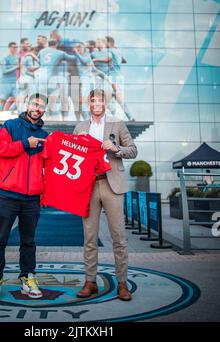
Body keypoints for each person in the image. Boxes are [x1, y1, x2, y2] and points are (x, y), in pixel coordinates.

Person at [73, 88, 137, 301]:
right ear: (89, 104)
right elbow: (73, 156)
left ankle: (122, 283)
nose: (96, 103)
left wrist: (116, 148)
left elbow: (133, 150)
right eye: (93, 100)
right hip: (88, 187)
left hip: (112, 186)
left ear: (105, 103)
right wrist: (77, 145)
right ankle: (90, 282)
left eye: (100, 100)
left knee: (118, 237)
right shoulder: (81, 127)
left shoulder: (117, 124)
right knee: (89, 237)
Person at [0, 93, 48, 300]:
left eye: (41, 106)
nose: (36, 108)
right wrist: (24, 144)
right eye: (34, 104)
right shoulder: (10, 126)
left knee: (29, 242)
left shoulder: (45, 135)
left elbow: (48, 167)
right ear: (27, 105)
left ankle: (27, 278)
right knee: (0, 240)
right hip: (7, 195)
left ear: (44, 110)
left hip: (32, 199)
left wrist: (44, 192)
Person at [0, 42, 19, 111]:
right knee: (2, 101)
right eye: (14, 47)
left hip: (14, 83)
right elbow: (4, 71)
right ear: (10, 48)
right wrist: (16, 67)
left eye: (16, 47)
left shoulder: (17, 58)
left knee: (19, 100)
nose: (15, 49)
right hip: (6, 83)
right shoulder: (5, 58)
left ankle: (10, 112)